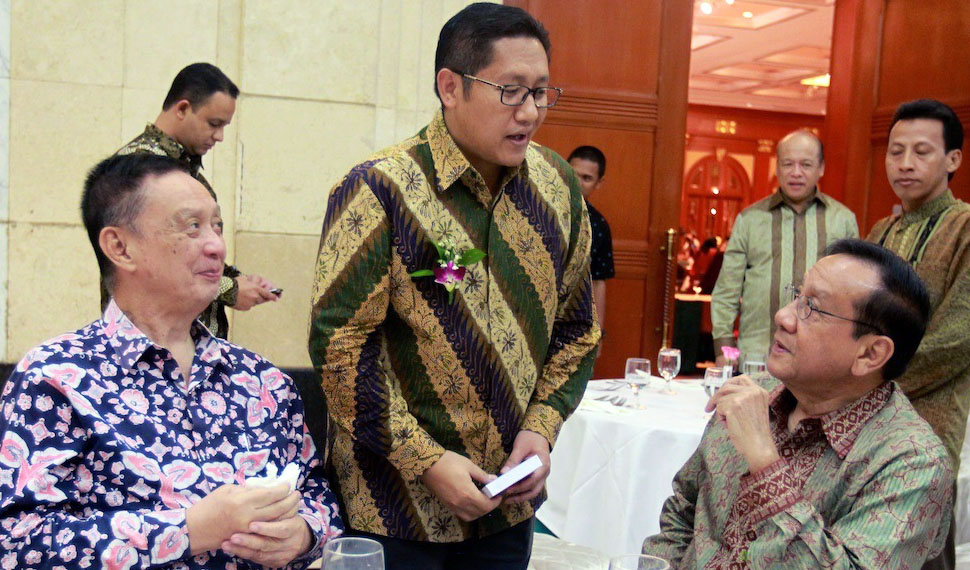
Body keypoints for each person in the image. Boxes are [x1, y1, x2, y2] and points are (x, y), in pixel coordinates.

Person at [308, 3, 599, 569]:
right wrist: (426, 461)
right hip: (394, 511)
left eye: (542, 91)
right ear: (451, 86)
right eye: (511, 91)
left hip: (507, 510)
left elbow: (576, 329)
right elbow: (340, 351)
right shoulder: (379, 188)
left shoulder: (558, 187)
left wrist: (541, 431)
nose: (531, 111)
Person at [0, 154, 342, 568]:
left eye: (216, 226)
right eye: (191, 226)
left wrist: (305, 534)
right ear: (120, 247)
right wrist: (189, 530)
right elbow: (19, 542)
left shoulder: (263, 381)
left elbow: (319, 494)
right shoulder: (56, 378)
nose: (216, 245)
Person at [643, 239, 952, 568]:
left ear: (870, 354)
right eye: (797, 296)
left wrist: (765, 462)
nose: (783, 317)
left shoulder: (913, 463)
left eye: (813, 308)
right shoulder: (755, 393)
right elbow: (683, 512)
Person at [866, 98, 970, 570]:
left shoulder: (965, 228)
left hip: (929, 418)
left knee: (922, 548)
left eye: (922, 151)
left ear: (953, 160)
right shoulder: (879, 232)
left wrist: (867, 378)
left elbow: (957, 339)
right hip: (862, 415)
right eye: (896, 150)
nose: (905, 163)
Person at [114, 62, 279, 339]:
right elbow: (155, 263)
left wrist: (237, 279)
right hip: (152, 349)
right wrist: (230, 290)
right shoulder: (140, 169)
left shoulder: (180, 167)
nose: (220, 137)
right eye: (213, 124)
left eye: (224, 126)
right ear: (182, 109)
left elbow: (190, 250)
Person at [712, 130, 859, 366]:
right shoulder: (749, 220)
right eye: (788, 164)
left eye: (806, 164)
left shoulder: (842, 221)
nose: (796, 172)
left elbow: (852, 294)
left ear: (820, 168)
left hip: (820, 357)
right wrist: (724, 351)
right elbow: (726, 292)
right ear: (777, 167)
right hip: (757, 355)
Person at [568, 145, 614, 357]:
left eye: (586, 178)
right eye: (573, 174)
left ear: (598, 183)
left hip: (574, 322)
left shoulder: (598, 225)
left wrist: (598, 334)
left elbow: (598, 281)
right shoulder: (538, 209)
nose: (577, 183)